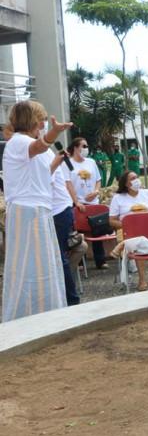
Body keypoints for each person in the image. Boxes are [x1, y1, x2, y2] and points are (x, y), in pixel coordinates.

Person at [2, 101, 72, 322]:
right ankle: (29, 316)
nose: (43, 123)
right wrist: (54, 132)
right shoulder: (18, 142)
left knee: (43, 265)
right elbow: (38, 148)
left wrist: (56, 163)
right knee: (30, 267)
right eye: (41, 119)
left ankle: (45, 312)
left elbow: (40, 176)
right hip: (27, 211)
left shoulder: (30, 143)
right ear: (32, 120)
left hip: (39, 209)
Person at [109, 171, 148, 291]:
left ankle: (121, 246)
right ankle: (143, 279)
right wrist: (129, 224)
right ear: (126, 184)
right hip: (128, 232)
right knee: (137, 241)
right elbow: (112, 221)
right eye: (133, 178)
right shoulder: (118, 198)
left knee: (139, 240)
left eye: (137, 177)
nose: (137, 180)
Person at [64, 137, 108, 270]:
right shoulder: (68, 163)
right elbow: (68, 183)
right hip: (78, 203)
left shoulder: (91, 162)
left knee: (97, 231)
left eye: (86, 146)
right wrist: (76, 201)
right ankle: (80, 262)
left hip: (93, 202)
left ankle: (100, 260)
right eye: (83, 146)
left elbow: (98, 180)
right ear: (76, 148)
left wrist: (96, 191)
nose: (86, 149)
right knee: (78, 232)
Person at [49, 149, 81, 306]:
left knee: (59, 257)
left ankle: (71, 300)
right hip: (56, 211)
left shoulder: (46, 155)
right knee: (56, 257)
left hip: (58, 211)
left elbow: (44, 180)